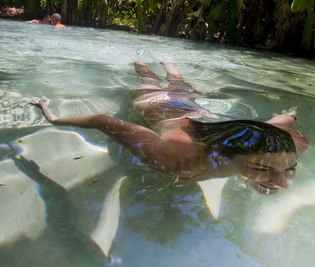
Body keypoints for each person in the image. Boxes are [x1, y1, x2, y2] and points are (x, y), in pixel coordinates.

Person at [31, 62, 308, 193]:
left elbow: (270, 127)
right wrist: (55, 119)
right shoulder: (176, 160)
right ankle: (144, 61)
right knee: (147, 80)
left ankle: (171, 66)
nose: (283, 183)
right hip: (158, 105)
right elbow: (105, 122)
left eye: (289, 169)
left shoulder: (281, 146)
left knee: (181, 86)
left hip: (192, 109)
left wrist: (289, 114)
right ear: (224, 152)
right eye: (263, 167)